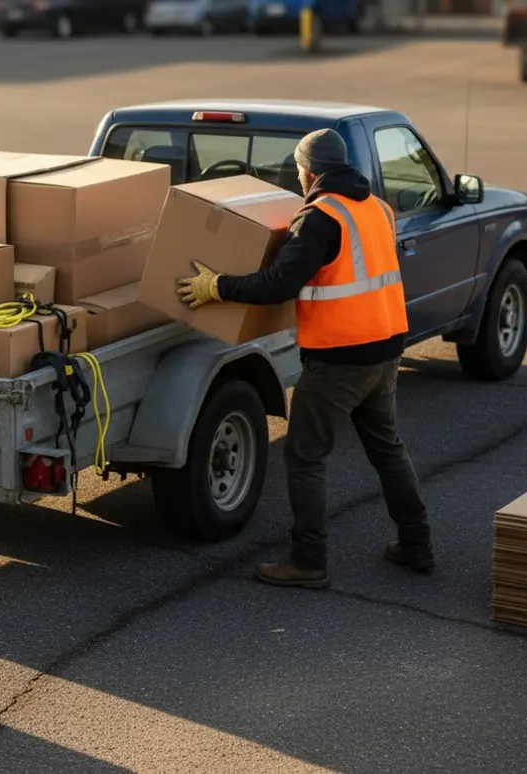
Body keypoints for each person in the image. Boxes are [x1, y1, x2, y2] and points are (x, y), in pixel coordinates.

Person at [175, 128, 434, 590]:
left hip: (340, 360)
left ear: (310, 171)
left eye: (298, 171)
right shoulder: (378, 209)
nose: (298, 179)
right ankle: (417, 544)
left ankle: (308, 561)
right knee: (387, 449)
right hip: (386, 350)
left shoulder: (319, 217)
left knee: (305, 457)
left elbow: (277, 284)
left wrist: (216, 286)